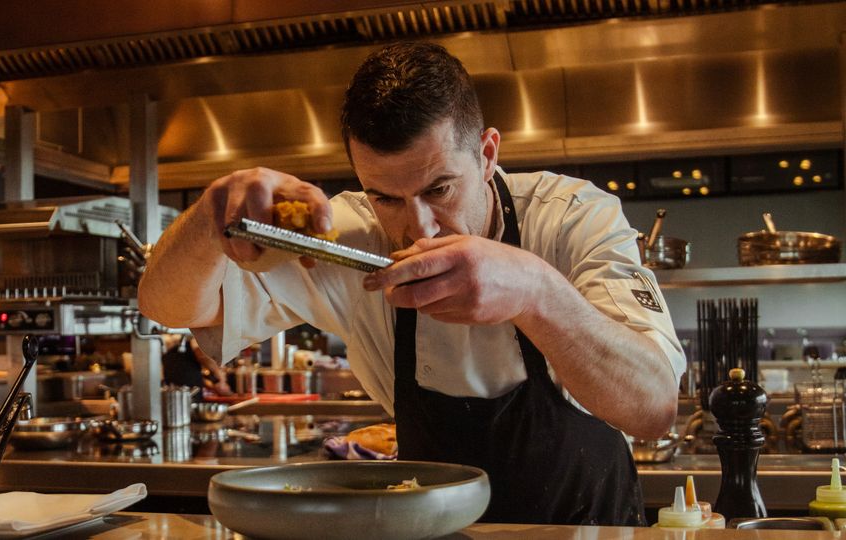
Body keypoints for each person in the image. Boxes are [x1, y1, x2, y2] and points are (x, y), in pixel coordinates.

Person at [139, 41, 684, 525]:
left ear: (487, 154)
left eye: (439, 189)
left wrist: (535, 291)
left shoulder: (571, 217)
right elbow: (169, 308)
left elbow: (653, 408)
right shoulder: (350, 234)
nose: (418, 228)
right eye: (385, 197)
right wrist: (210, 219)